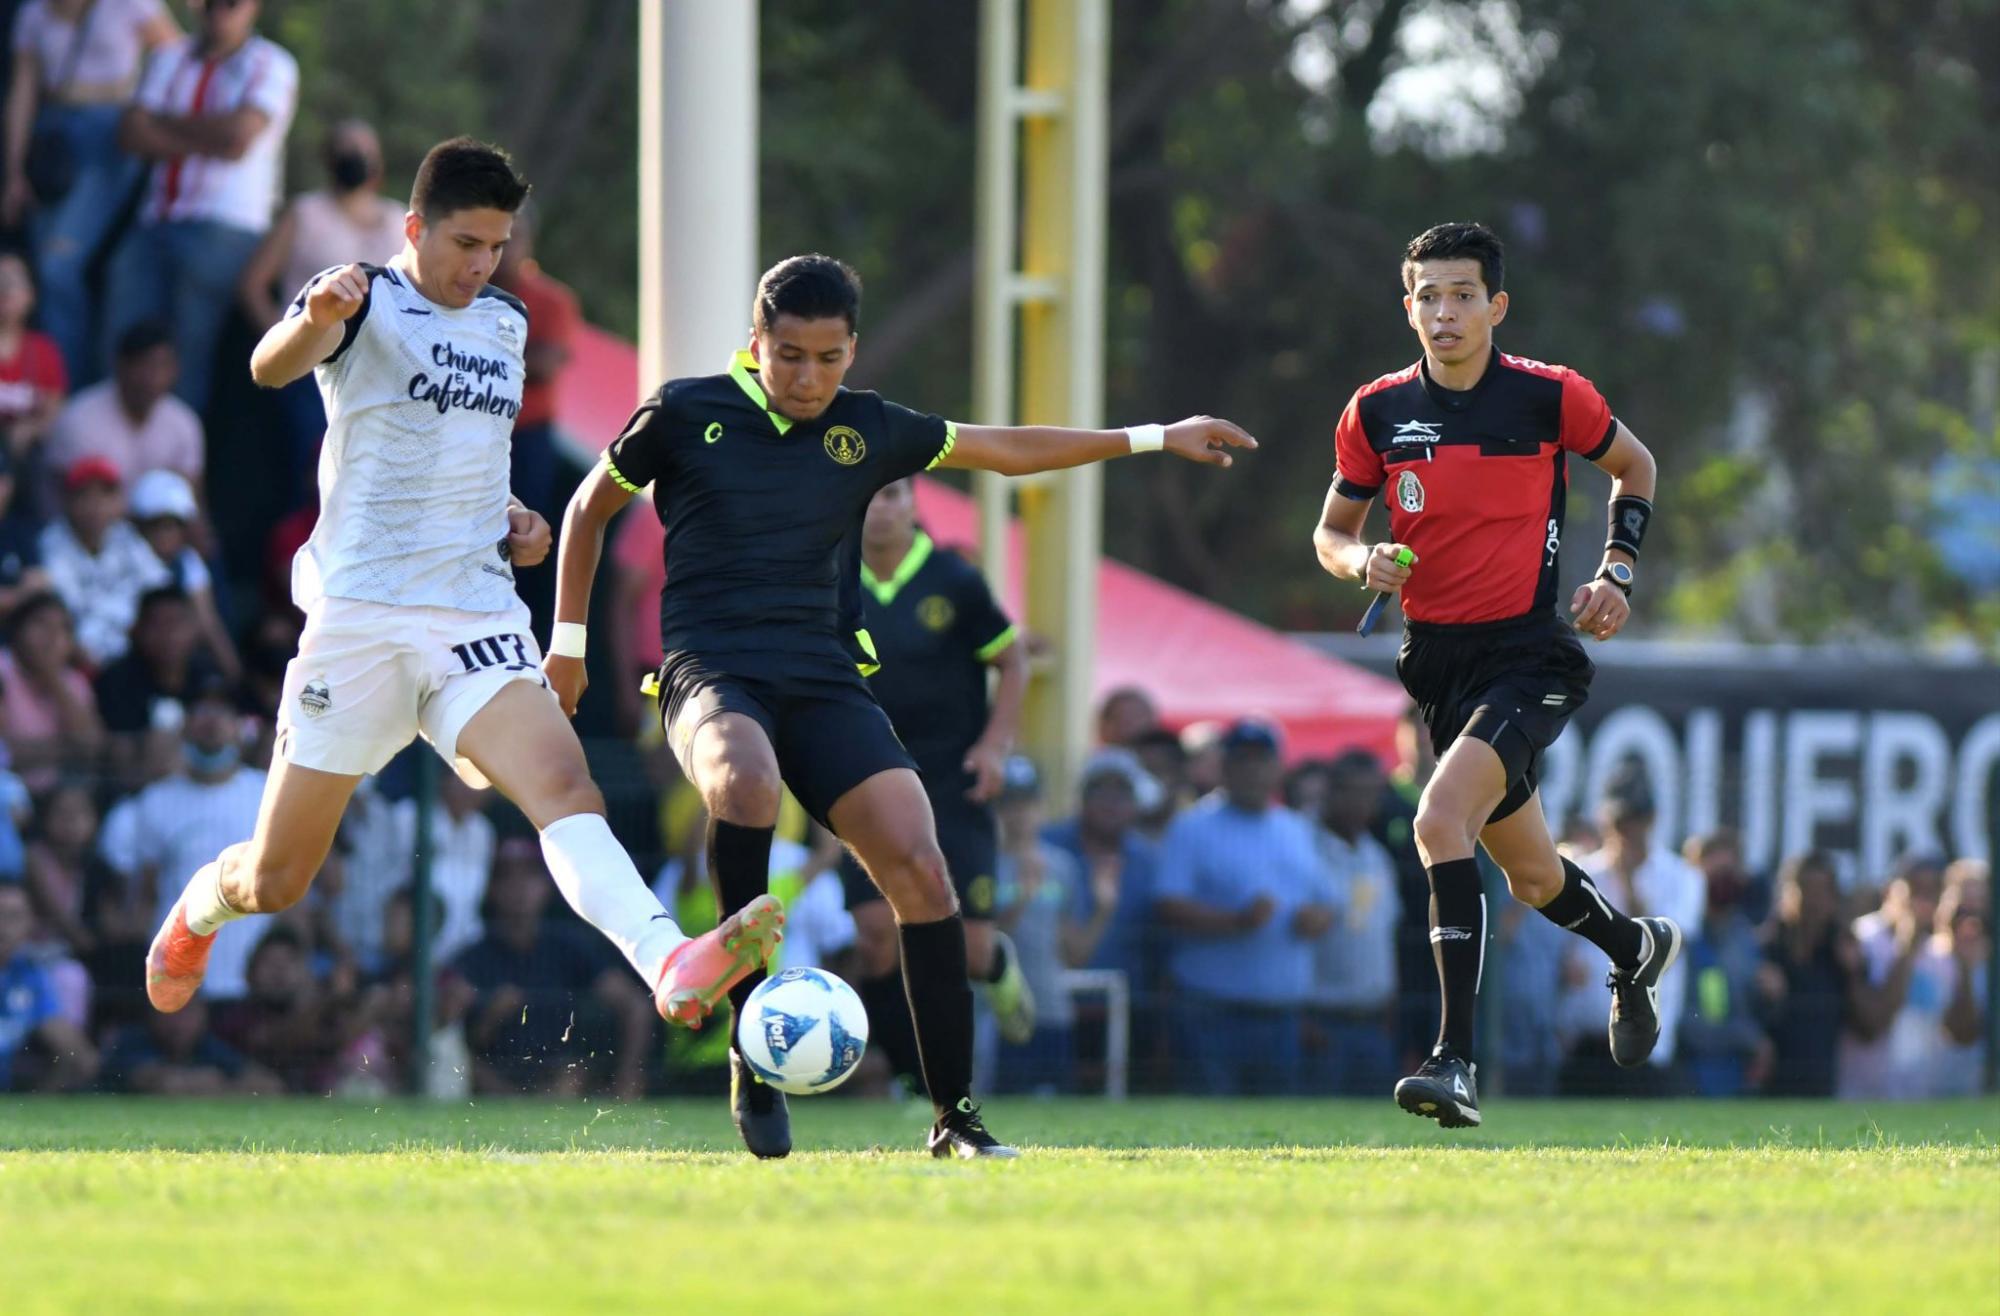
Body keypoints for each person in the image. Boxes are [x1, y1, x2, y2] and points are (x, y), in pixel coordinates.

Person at [547, 252, 1254, 1158]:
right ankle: (751, 1052)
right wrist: (568, 646)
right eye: (789, 355)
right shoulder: (685, 411)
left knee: (921, 869)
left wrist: (1153, 436)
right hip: (711, 670)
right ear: (756, 342)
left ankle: (955, 1117)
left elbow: (1008, 449)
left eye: (828, 358)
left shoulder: (868, 428)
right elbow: (588, 509)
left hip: (824, 678)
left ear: (852, 349)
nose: (808, 378)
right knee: (746, 782)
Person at [140, 138, 781, 1043]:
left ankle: (666, 957)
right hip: (361, 620)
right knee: (277, 879)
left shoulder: (506, 323)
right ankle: (203, 903)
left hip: (473, 615)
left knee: (566, 785)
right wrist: (313, 316)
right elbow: (268, 367)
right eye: (466, 244)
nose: (481, 265)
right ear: (415, 228)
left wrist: (519, 520)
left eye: (496, 246)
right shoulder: (359, 297)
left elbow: (471, 458)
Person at [1312, 221, 1679, 1127]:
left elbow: (1635, 465)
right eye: (1428, 296)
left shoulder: (1550, 396)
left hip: (1529, 656)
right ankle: (1633, 948)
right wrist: (1361, 563)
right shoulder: (1376, 412)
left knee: (1438, 820)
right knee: (1534, 878)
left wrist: (1617, 573)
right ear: (1408, 308)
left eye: (1463, 295)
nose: (1445, 312)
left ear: (1497, 306)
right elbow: (1331, 533)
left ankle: (1454, 1060)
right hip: (1437, 664)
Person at [836, 475, 1035, 1094]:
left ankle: (996, 964)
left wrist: (994, 745)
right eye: (870, 493)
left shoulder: (954, 578)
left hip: (952, 781)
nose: (880, 507)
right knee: (877, 937)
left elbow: (1012, 660)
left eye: (893, 493)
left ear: (913, 502)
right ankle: (914, 1081)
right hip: (864, 775)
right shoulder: (830, 575)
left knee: (966, 949)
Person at [100, 0, 296, 415]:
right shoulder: (169, 57)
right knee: (121, 343)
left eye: (231, 3)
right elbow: (131, 133)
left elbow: (238, 137)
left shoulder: (272, 63)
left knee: (186, 355)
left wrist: (163, 124)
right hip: (155, 219)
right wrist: (210, 133)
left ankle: (176, 450)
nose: (218, 10)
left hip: (224, 227)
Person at [1151, 719, 1336, 1096]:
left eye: (1262, 760)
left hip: (1281, 1014)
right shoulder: (1192, 827)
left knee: (1280, 1125)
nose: (1253, 770)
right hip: (1210, 1012)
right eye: (1243, 760)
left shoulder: (1295, 828)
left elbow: (1328, 902)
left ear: (1278, 767)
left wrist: (1315, 919)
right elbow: (1167, 905)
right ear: (1225, 766)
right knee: (1206, 1120)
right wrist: (1234, 921)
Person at [2, 0, 179, 382]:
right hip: (52, 141)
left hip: (110, 138)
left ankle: (68, 387)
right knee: (44, 271)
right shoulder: (34, 13)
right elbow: (23, 90)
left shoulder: (130, 4)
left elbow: (175, 56)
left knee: (57, 266)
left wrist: (144, 110)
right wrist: (14, 171)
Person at [236, 116, 405, 496]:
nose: (354, 157)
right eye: (345, 149)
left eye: (362, 150)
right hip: (311, 373)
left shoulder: (400, 221)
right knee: (309, 479)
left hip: (377, 375)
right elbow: (253, 285)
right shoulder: (305, 214)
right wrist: (287, 342)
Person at [1562, 775, 1705, 1094]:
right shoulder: (1583, 871)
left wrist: (1627, 880)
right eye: (1620, 821)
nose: (1627, 831)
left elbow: (1665, 945)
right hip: (1584, 1041)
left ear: (1650, 819)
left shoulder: (1681, 876)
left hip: (1646, 1041)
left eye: (1634, 820)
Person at [1303, 750, 1404, 1098]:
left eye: (1371, 793)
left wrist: (1390, 1013)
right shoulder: (1302, 846)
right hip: (1319, 1022)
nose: (1363, 802)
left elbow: (1386, 936)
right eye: (1353, 791)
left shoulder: (1376, 856)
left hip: (1373, 1024)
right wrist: (1300, 1018)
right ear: (1330, 791)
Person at [37, 453, 170, 664]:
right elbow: (69, 615)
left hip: (134, 653)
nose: (95, 505)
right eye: (85, 495)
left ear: (117, 501)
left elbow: (159, 587)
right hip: (80, 660)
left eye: (105, 494)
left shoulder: (125, 537)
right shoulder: (52, 543)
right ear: (68, 500)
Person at [46, 319, 202, 494]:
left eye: (163, 366)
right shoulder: (79, 420)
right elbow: (67, 501)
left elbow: (191, 500)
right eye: (145, 365)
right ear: (121, 365)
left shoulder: (184, 423)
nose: (154, 378)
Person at [127, 468, 237, 678]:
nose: (164, 535)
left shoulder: (188, 561)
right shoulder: (127, 560)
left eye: (171, 527)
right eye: (156, 527)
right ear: (140, 528)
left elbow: (208, 622)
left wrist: (234, 674)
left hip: (181, 657)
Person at [0, 876, 95, 1088]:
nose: (3, 926)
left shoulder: (29, 975)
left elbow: (79, 1057)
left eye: (13, 917)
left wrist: (42, 1099)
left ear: (30, 924)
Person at [0, 251, 65, 496]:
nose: (4, 289)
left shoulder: (43, 351)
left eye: (13, 282)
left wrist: (31, 429)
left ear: (31, 295)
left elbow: (54, 412)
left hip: (27, 463)